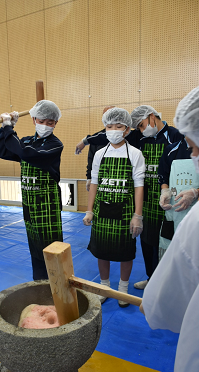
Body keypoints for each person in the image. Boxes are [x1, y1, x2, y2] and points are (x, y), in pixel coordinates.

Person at [140, 85, 199, 372]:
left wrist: (196, 193)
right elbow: (165, 170)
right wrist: (165, 189)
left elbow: (162, 305)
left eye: (195, 148)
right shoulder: (174, 148)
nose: (191, 154)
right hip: (172, 215)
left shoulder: (196, 226)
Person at [0, 100, 63, 281]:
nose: (45, 126)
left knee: (51, 250)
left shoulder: (55, 144)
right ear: (33, 120)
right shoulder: (26, 141)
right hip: (30, 206)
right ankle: (39, 284)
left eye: (50, 122)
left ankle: (56, 288)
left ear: (55, 123)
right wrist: (6, 128)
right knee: (35, 248)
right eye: (41, 121)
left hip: (47, 207)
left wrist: (9, 129)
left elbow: (27, 154)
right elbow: (1, 150)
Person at [83, 107, 145, 307]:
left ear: (127, 129)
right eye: (109, 126)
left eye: (118, 126)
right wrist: (89, 209)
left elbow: (138, 186)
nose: (113, 130)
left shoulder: (135, 154)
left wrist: (137, 215)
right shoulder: (100, 154)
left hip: (125, 212)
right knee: (102, 251)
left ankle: (123, 288)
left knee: (126, 251)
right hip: (102, 211)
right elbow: (94, 183)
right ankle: (104, 287)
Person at [130, 106, 183, 289]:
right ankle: (151, 279)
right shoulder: (142, 140)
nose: (142, 130)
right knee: (147, 243)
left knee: (167, 245)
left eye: (142, 125)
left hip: (169, 203)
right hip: (147, 202)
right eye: (139, 128)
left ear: (152, 116)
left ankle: (167, 284)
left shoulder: (175, 136)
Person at [158, 137, 199, 259]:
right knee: (172, 256)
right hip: (174, 212)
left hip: (195, 213)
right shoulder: (171, 150)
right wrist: (165, 191)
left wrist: (195, 192)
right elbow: (163, 176)